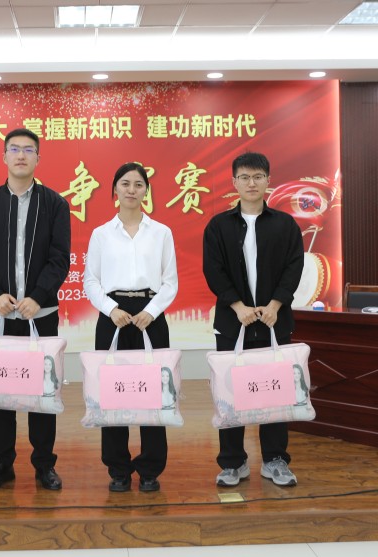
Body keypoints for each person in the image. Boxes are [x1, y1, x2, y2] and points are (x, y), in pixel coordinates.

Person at [0, 128, 70, 491]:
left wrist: (38, 296)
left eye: (28, 150)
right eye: (14, 149)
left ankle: (44, 465)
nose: (21, 155)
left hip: (40, 315)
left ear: (38, 158)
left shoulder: (54, 204)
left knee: (42, 393)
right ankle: (1, 464)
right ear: (4, 157)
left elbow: (59, 258)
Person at [202, 152, 303, 488]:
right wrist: (237, 306)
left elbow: (294, 267)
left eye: (258, 177)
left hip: (275, 321)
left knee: (274, 393)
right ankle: (233, 462)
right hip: (234, 324)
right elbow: (213, 270)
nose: (251, 183)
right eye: (244, 177)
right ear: (234, 183)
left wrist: (276, 304)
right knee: (231, 393)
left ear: (268, 181)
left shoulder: (285, 224)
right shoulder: (219, 226)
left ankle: (275, 460)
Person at [84, 162, 178, 493]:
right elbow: (91, 281)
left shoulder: (161, 232)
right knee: (113, 395)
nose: (131, 190)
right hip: (114, 317)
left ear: (146, 191)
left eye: (138, 184)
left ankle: (151, 468)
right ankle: (118, 469)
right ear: (115, 190)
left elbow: (170, 281)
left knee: (153, 395)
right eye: (125, 184)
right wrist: (111, 310)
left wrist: (151, 312)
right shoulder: (101, 234)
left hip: (151, 317)